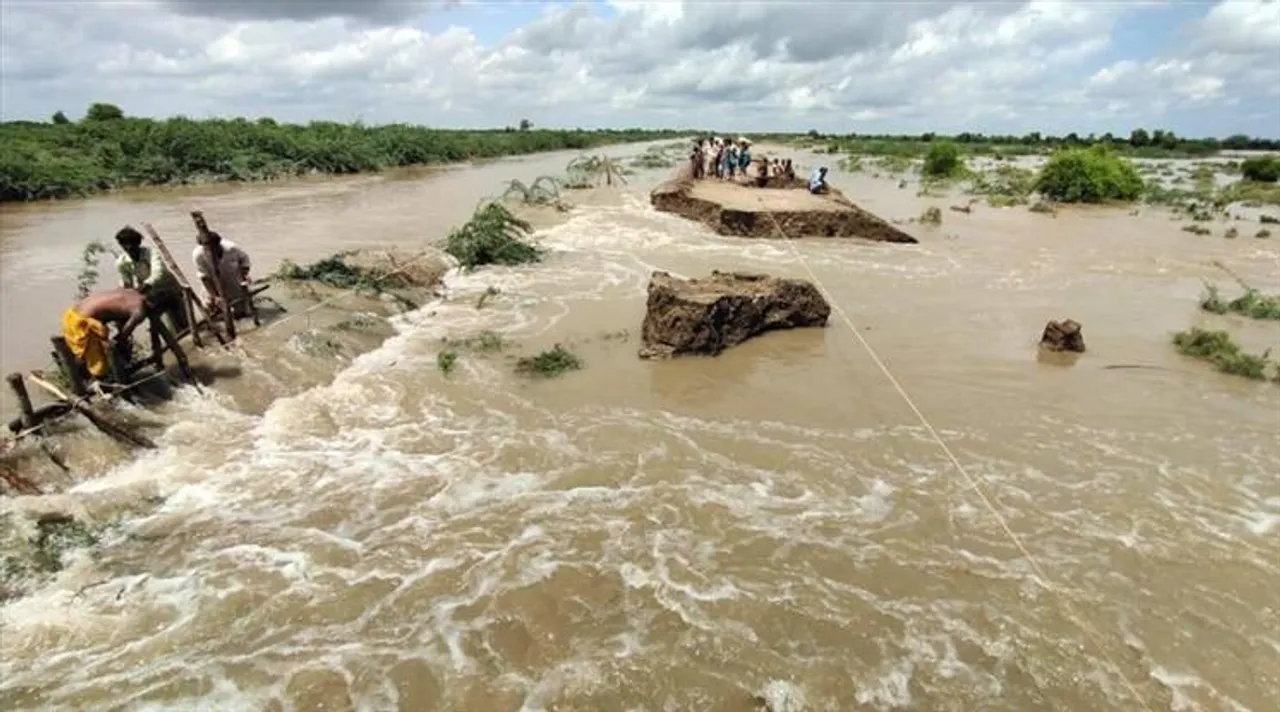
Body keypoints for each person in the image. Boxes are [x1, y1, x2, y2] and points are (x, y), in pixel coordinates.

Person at [61, 288, 150, 380]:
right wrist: (120, 347)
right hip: (82, 323)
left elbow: (118, 311)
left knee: (86, 353)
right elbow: (123, 335)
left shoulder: (132, 292)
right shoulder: (139, 311)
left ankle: (82, 375)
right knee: (98, 364)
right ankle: (95, 381)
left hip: (72, 313)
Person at [115, 226, 188, 334]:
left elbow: (158, 273)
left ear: (138, 243)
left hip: (169, 289)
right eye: (125, 244)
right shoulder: (122, 262)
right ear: (121, 245)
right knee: (162, 325)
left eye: (131, 243)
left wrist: (142, 288)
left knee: (182, 321)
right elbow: (126, 283)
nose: (129, 247)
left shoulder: (151, 253)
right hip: (151, 295)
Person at [192, 230, 252, 317]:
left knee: (241, 312)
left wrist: (242, 275)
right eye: (206, 248)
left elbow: (245, 262)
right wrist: (215, 296)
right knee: (211, 308)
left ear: (218, 244)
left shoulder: (232, 248)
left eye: (213, 248)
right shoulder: (198, 255)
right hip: (213, 283)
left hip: (233, 280)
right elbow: (204, 277)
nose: (210, 251)